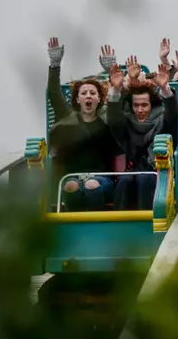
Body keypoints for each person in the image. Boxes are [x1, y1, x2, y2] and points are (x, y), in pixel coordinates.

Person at [45, 37, 122, 212]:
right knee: (70, 186)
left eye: (92, 93)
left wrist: (112, 72)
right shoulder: (68, 118)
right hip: (74, 178)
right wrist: (54, 64)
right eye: (84, 93)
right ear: (78, 99)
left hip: (103, 179)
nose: (88, 96)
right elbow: (54, 94)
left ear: (99, 98)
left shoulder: (106, 119)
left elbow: (121, 104)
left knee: (91, 185)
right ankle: (72, 225)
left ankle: (96, 225)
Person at [106, 59, 178, 210]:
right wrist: (115, 89)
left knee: (145, 178)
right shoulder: (128, 121)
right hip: (133, 171)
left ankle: (147, 224)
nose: (139, 110)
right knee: (125, 181)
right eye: (136, 105)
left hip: (159, 171)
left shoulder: (161, 120)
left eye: (144, 105)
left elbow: (172, 115)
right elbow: (114, 121)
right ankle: (119, 225)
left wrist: (164, 88)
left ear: (152, 105)